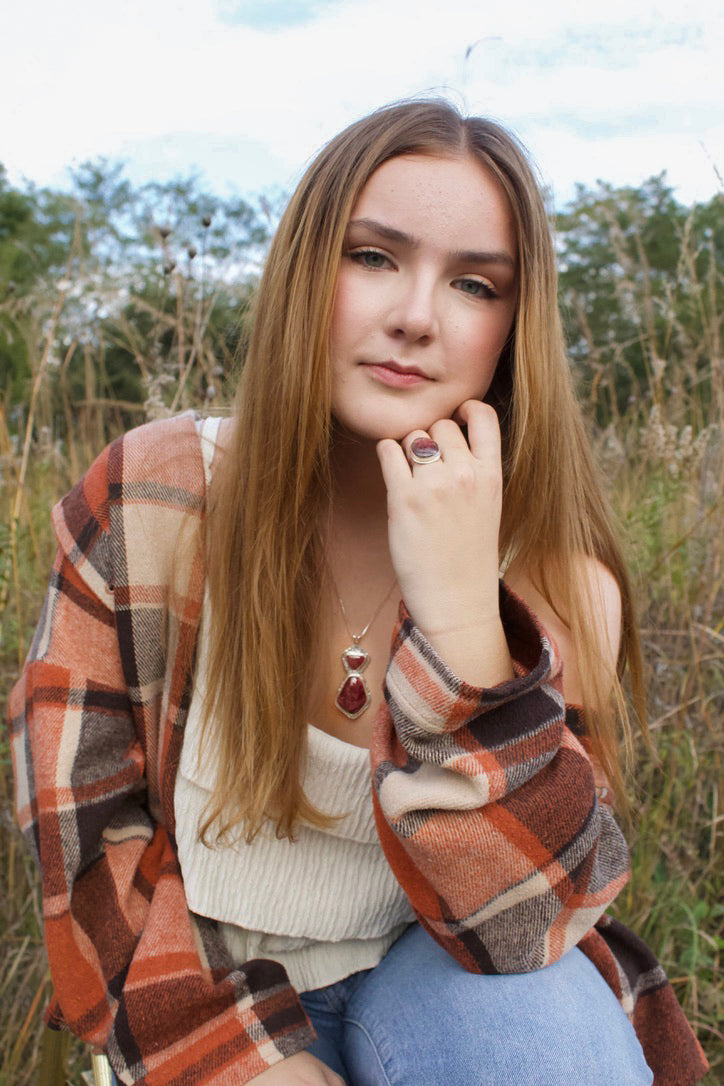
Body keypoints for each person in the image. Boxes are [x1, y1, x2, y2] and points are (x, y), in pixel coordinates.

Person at [8, 100, 708, 1086]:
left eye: (473, 282)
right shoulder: (151, 498)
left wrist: (465, 617)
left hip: (442, 977)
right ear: (306, 272)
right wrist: (245, 1064)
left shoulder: (553, 573)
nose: (415, 314)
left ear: (513, 325)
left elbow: (524, 931)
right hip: (197, 981)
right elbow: (85, 849)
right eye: (373, 256)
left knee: (546, 1042)